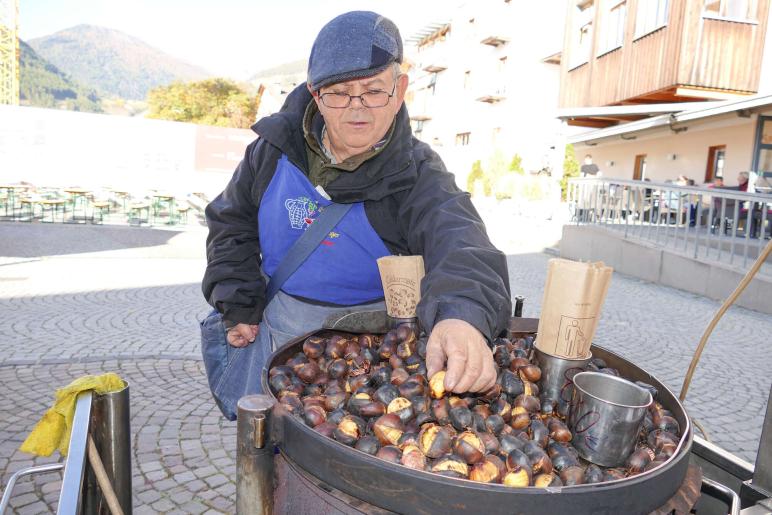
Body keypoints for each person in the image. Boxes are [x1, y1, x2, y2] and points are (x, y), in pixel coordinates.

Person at [200, 11, 511, 420]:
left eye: (373, 90)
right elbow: (231, 221)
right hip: (278, 332)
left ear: (399, 90)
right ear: (314, 93)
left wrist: (462, 316)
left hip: (371, 356)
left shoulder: (418, 173)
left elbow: (461, 242)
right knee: (268, 448)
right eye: (339, 92)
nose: (357, 108)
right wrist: (237, 299)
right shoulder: (273, 149)